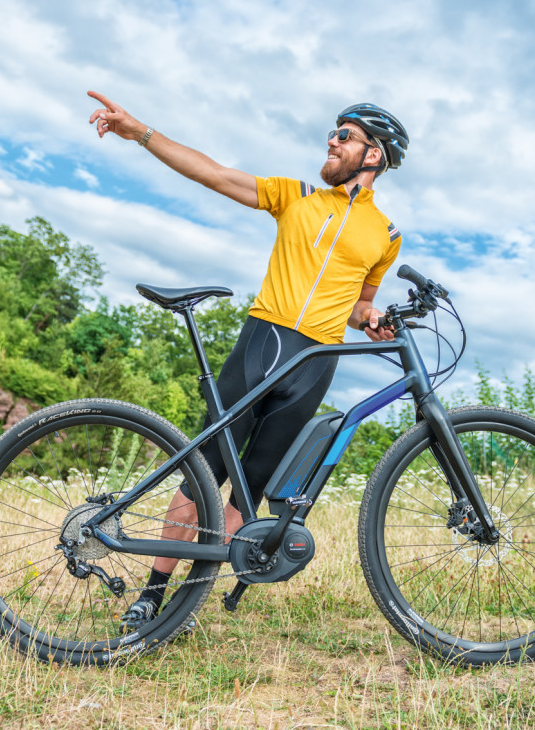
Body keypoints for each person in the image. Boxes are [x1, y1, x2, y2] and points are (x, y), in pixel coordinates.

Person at [86, 91, 409, 629]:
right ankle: (151, 594)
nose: (331, 139)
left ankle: (187, 602)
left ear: (373, 155)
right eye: (334, 131)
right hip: (264, 344)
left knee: (250, 490)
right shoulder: (297, 196)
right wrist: (139, 132)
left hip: (316, 363)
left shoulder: (387, 235)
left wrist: (372, 319)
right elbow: (213, 174)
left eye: (345, 135)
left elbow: (359, 303)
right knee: (201, 478)